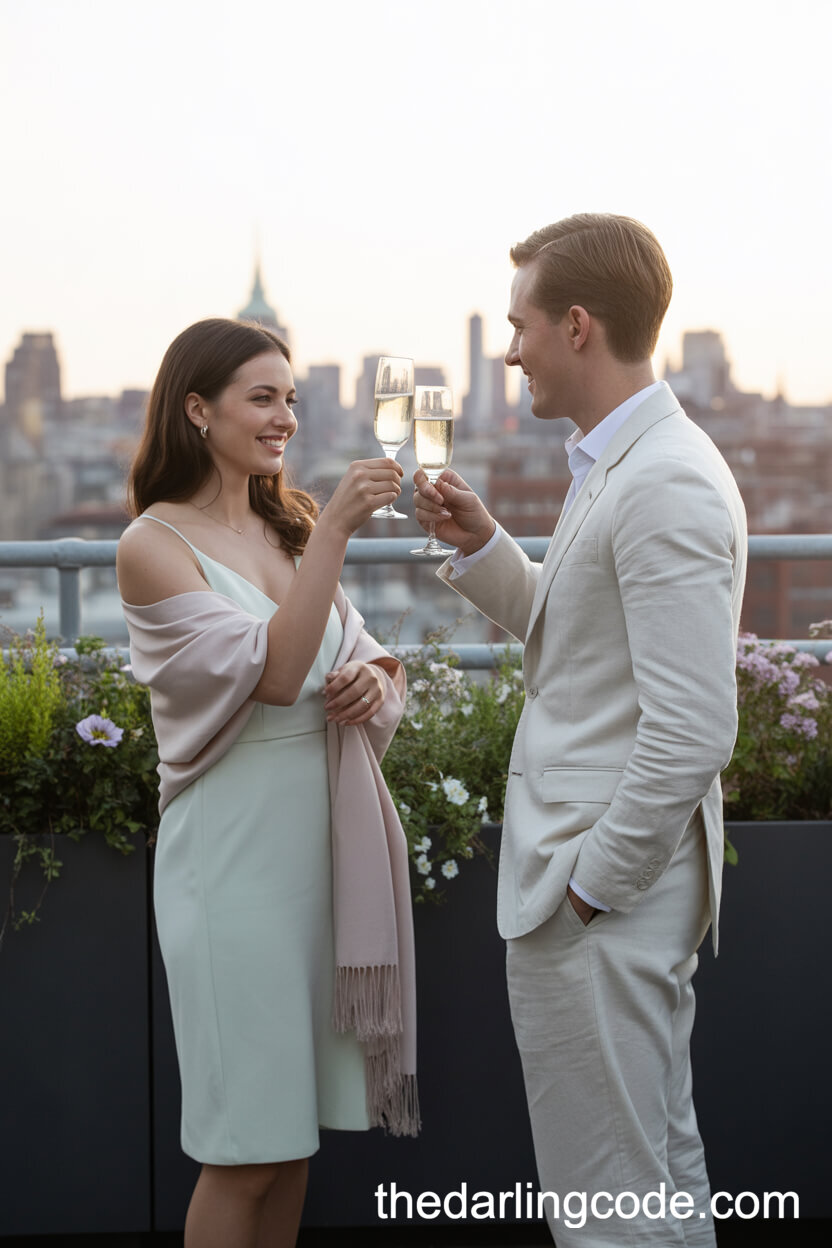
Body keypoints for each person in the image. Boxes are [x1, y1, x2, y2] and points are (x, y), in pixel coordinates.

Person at [414, 214, 747, 1247]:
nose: (506, 351)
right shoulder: (622, 461)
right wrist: (489, 550)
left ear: (575, 325)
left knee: (605, 1197)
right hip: (601, 881)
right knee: (649, 1171)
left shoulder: (664, 479)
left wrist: (592, 887)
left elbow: (693, 726)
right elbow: (587, 648)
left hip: (600, 887)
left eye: (518, 326)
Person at [117, 318, 419, 1248]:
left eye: (291, 397)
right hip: (232, 864)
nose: (285, 415)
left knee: (291, 1147)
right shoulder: (153, 543)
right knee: (244, 1145)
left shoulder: (287, 528)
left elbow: (367, 662)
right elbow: (278, 673)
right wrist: (333, 525)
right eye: (263, 396)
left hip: (314, 863)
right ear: (197, 410)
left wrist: (377, 679)